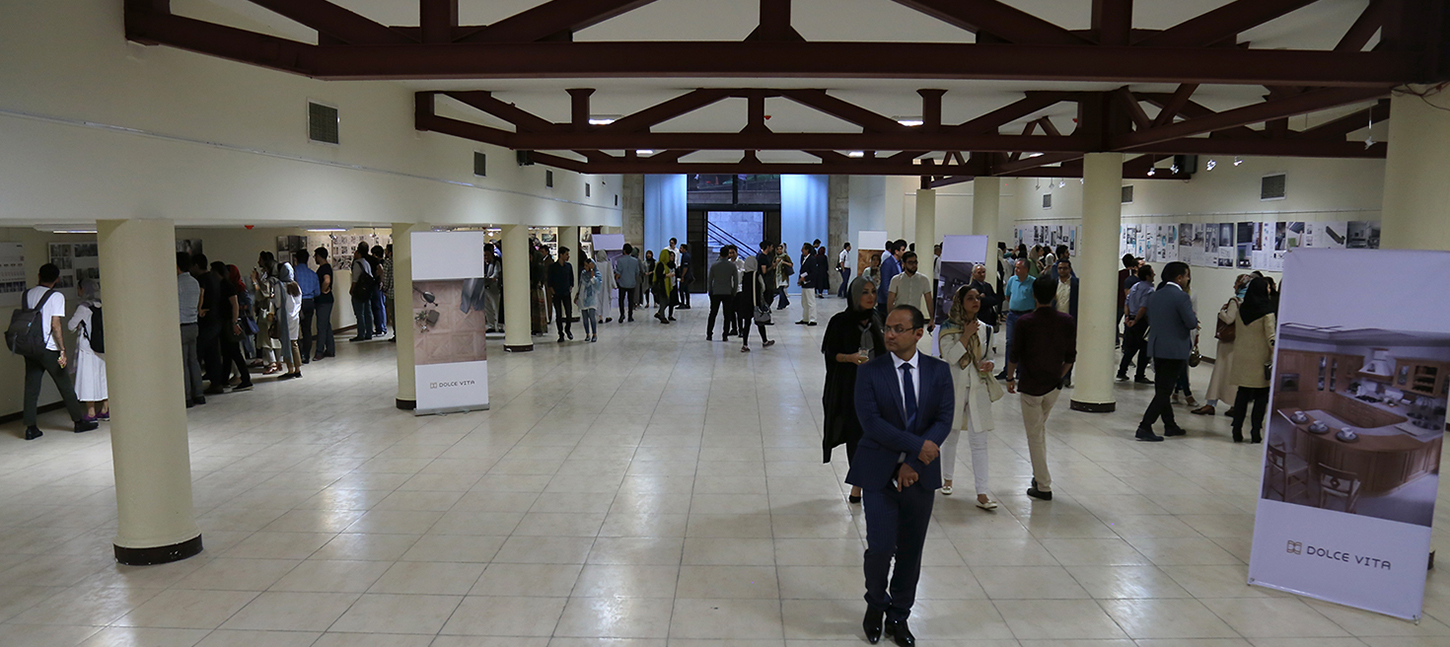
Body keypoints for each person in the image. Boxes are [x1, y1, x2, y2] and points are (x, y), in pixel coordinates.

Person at [849, 305, 953, 647]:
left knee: (911, 550)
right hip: (878, 472)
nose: (889, 334)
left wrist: (914, 463)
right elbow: (871, 423)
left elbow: (943, 419)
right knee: (880, 548)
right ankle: (875, 605)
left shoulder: (938, 371)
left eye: (898, 329)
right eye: (887, 328)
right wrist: (915, 447)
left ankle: (899, 615)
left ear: (918, 333)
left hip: (919, 477)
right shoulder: (870, 371)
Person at [1005, 277, 1075, 500]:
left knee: (1034, 435)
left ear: (1033, 295)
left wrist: (1009, 378)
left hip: (1031, 386)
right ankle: (1038, 475)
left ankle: (1043, 485)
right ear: (1054, 295)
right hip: (1053, 386)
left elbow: (1014, 353)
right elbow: (1070, 357)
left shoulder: (1025, 322)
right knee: (1039, 430)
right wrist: (1059, 377)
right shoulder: (1066, 321)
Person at [822, 277, 886, 505]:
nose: (870, 297)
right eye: (865, 292)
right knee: (856, 436)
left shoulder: (879, 319)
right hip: (851, 388)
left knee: (875, 435)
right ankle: (858, 484)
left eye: (873, 292)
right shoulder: (840, 322)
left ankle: (871, 479)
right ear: (855, 295)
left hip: (877, 388)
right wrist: (849, 358)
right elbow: (830, 354)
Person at [18, 265, 96, 439]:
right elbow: (56, 325)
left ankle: (30, 428)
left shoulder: (27, 294)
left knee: (31, 388)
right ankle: (78, 422)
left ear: (38, 275)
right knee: (65, 385)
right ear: (57, 279)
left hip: (30, 347)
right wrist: (62, 350)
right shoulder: (56, 296)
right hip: (49, 348)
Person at [939, 285, 997, 509]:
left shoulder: (986, 329)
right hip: (954, 387)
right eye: (970, 298)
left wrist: (989, 364)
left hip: (978, 388)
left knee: (979, 441)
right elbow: (950, 357)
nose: (976, 302)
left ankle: (982, 493)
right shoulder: (948, 328)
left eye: (978, 298)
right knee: (951, 435)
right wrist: (965, 336)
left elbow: (988, 355)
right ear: (960, 302)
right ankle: (947, 479)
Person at [1135, 261, 1197, 442]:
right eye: (1187, 276)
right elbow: (1191, 322)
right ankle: (1145, 426)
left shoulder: (1155, 294)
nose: (1188, 279)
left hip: (1157, 346)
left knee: (1162, 388)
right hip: (1174, 349)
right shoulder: (1181, 297)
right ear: (1179, 277)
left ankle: (1170, 424)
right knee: (1164, 391)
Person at [1193, 274, 1251, 416]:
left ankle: (1211, 403)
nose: (1234, 286)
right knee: (1233, 375)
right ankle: (1233, 404)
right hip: (1241, 342)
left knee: (1219, 373)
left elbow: (1229, 319)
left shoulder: (1235, 301)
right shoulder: (1251, 302)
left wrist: (1221, 312)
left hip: (1228, 344)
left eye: (1236, 283)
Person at [1229, 277, 1277, 444]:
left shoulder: (1241, 309)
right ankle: (1255, 431)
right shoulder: (1267, 312)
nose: (1269, 290)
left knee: (1242, 394)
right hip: (1260, 360)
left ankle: (1236, 429)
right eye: (1268, 288)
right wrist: (1276, 353)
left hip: (1242, 358)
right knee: (1261, 397)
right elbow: (1271, 337)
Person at [65, 278, 109, 423]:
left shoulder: (83, 307)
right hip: (102, 346)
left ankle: (91, 413)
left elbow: (71, 326)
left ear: (82, 289)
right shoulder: (102, 303)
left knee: (88, 379)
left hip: (87, 348)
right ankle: (105, 410)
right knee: (103, 377)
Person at [214, 263, 254, 392]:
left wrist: (234, 322)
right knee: (227, 353)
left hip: (229, 322)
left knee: (234, 352)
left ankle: (245, 379)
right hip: (226, 322)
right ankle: (224, 380)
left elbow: (235, 305)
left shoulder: (228, 286)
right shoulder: (224, 285)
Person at [1117, 265, 1155, 383]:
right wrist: (1136, 320)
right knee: (1145, 349)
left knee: (1130, 348)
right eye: (1152, 273)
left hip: (1131, 319)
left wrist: (1128, 317)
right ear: (1147, 276)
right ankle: (1140, 375)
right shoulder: (1149, 290)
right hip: (1142, 321)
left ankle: (1122, 371)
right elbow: (1143, 307)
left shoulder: (1135, 286)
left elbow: (1127, 302)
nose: (1154, 275)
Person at [178, 251, 206, 406]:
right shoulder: (194, 282)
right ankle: (199, 394)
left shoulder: (177, 283)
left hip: (181, 325)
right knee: (194, 361)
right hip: (194, 324)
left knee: (183, 363)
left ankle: (187, 396)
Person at [999, 259, 1034, 380]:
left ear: (1026, 270)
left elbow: (1036, 299)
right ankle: (1007, 369)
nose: (1016, 270)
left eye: (1019, 268)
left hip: (1027, 316)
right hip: (1012, 316)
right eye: (1016, 267)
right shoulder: (1012, 280)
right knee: (1010, 342)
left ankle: (1021, 370)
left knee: (1024, 344)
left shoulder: (1033, 282)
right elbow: (1008, 296)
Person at [886, 251, 934, 333]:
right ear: (904, 264)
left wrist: (932, 319)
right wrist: (891, 319)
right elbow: (890, 301)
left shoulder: (923, 280)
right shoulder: (896, 280)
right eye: (910, 262)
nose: (914, 265)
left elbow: (929, 300)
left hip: (915, 317)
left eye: (915, 262)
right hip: (899, 317)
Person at [735, 256, 774, 352]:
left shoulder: (743, 274)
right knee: (760, 322)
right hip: (756, 301)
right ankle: (765, 341)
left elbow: (739, 283)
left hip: (746, 302)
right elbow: (763, 287)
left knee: (747, 323)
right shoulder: (757, 274)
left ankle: (745, 344)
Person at [1051, 260, 1079, 387]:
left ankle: (1066, 376)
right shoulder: (1053, 283)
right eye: (1060, 268)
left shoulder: (1076, 284)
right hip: (1055, 322)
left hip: (1070, 321)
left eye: (1065, 268)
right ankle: (1056, 374)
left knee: (1068, 350)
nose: (1062, 271)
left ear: (1070, 269)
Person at [276, 261, 304, 380]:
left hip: (284, 318)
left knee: (287, 344)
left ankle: (290, 369)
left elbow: (278, 303)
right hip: (295, 318)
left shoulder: (280, 286)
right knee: (294, 343)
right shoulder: (296, 286)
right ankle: (298, 369)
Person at [707, 246, 739, 341]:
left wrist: (710, 291)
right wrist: (734, 291)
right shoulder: (732, 266)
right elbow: (736, 280)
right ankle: (725, 335)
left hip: (716, 292)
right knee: (727, 314)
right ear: (727, 254)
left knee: (713, 313)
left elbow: (710, 280)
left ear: (720, 254)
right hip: (728, 292)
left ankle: (709, 334)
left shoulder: (714, 265)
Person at [292, 250, 319, 363]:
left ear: (296, 259)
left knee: (294, 329)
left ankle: (297, 354)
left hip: (297, 303)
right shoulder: (313, 274)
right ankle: (306, 355)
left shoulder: (294, 273)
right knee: (307, 330)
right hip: (309, 303)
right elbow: (317, 292)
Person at [549, 246, 576, 342]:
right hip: (557, 294)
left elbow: (571, 278)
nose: (568, 256)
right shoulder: (553, 267)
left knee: (569, 313)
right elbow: (549, 281)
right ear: (561, 255)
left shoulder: (568, 266)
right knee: (559, 315)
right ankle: (560, 333)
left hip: (566, 293)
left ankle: (568, 329)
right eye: (566, 254)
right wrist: (553, 291)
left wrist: (570, 287)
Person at [349, 242, 375, 342]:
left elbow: (355, 279)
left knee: (359, 313)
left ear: (359, 253)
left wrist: (351, 290)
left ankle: (361, 334)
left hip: (359, 291)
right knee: (368, 312)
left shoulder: (357, 264)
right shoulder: (366, 263)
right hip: (367, 291)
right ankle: (369, 332)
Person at [312, 248, 335, 359]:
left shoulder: (324, 268)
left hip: (324, 301)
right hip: (326, 300)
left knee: (321, 326)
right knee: (326, 325)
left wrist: (322, 290)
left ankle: (319, 351)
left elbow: (327, 280)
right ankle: (330, 349)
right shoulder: (326, 267)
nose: (315, 258)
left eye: (315, 256)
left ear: (319, 256)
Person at [874, 240, 904, 320]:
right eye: (903, 250)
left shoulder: (899, 263)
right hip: (885, 300)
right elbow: (885, 283)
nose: (904, 252)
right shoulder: (888, 263)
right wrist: (890, 299)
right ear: (896, 251)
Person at [575, 257, 602, 343]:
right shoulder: (583, 274)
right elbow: (581, 284)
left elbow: (597, 284)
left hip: (592, 297)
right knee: (585, 318)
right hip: (583, 297)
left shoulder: (597, 274)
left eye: (587, 265)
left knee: (592, 316)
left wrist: (592, 273)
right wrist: (577, 295)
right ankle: (587, 334)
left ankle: (594, 334)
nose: (585, 267)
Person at [798, 242, 825, 326]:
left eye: (803, 249)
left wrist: (805, 278)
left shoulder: (812, 259)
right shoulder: (804, 258)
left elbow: (814, 272)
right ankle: (805, 318)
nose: (801, 250)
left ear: (807, 250)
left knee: (810, 302)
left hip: (810, 283)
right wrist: (801, 280)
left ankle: (813, 319)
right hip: (804, 284)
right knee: (804, 302)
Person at [1117, 254, 1139, 348]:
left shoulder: (1120, 274)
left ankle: (1116, 341)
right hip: (1132, 304)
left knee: (1115, 322)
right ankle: (1125, 344)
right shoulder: (1137, 275)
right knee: (1128, 324)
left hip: (1120, 302)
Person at [614, 243, 639, 323]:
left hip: (622, 283)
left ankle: (622, 314)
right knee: (630, 300)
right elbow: (637, 272)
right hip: (632, 283)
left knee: (621, 299)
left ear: (624, 251)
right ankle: (630, 316)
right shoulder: (635, 261)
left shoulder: (620, 261)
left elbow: (618, 272)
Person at [652, 248, 676, 324]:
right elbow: (659, 275)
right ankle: (662, 316)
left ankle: (660, 313)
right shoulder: (660, 265)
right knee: (664, 301)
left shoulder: (665, 265)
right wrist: (667, 275)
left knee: (666, 300)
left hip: (664, 285)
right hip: (661, 286)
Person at [370, 245, 389, 338]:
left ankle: (381, 327)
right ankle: (381, 327)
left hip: (379, 287)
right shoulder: (384, 262)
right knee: (380, 306)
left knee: (379, 306)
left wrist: (381, 282)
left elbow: (381, 272)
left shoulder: (379, 263)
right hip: (381, 287)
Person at [483, 244, 502, 333]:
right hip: (484, 288)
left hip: (494, 288)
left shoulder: (496, 262)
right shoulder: (482, 264)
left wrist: (489, 279)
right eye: (485, 255)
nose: (486, 257)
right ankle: (491, 325)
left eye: (488, 255)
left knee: (496, 308)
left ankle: (498, 325)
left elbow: (495, 275)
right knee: (488, 308)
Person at [380, 244, 395, 341]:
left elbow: (386, 278)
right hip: (402, 293)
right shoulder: (398, 261)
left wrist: (384, 288)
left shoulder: (388, 262)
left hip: (391, 293)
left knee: (393, 315)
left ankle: (396, 335)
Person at [774, 243, 794, 310]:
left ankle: (781, 305)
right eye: (778, 249)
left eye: (780, 249)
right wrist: (776, 262)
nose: (779, 251)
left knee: (781, 290)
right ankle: (785, 302)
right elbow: (774, 266)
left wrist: (784, 262)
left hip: (783, 276)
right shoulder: (775, 257)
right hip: (777, 276)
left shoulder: (785, 256)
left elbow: (791, 264)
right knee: (780, 290)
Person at [677, 243, 693, 309]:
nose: (680, 249)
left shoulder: (686, 256)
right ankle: (687, 303)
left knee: (681, 290)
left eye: (681, 248)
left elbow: (685, 267)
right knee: (686, 290)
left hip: (685, 276)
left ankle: (683, 303)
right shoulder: (685, 255)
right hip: (687, 275)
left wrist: (682, 276)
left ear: (684, 249)